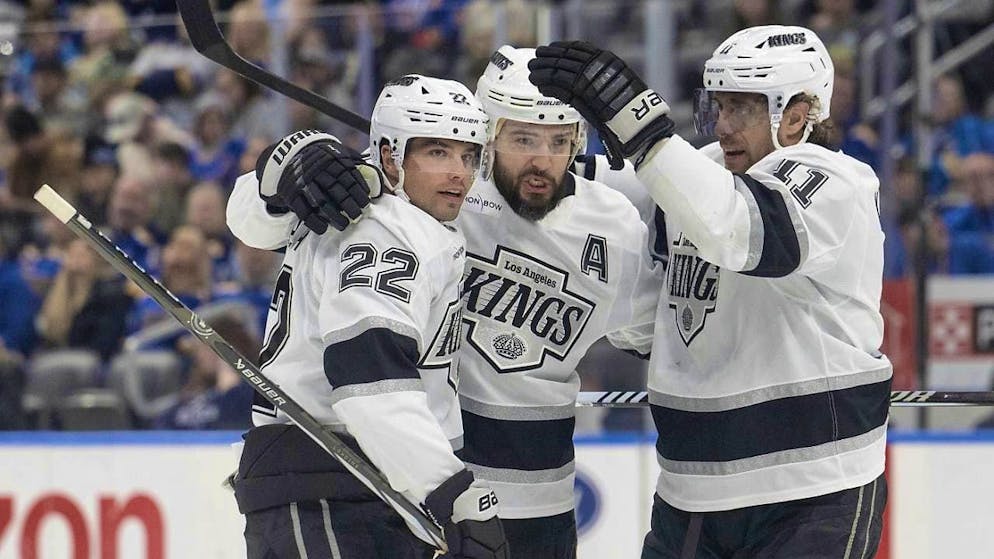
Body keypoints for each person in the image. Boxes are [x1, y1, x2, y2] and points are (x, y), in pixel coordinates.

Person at [226, 46, 662, 559]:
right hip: (392, 477)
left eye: (559, 141)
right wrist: (288, 166)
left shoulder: (611, 223)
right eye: (523, 137)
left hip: (493, 493)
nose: (543, 159)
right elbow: (261, 218)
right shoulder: (388, 203)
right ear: (491, 130)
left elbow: (658, 332)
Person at [527, 25, 890, 558]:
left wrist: (638, 123)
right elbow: (594, 184)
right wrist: (492, 150)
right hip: (691, 492)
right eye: (716, 107)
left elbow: (738, 228)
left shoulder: (837, 181)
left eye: (741, 108)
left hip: (812, 493)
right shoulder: (707, 174)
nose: (722, 126)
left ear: (797, 114)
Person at [231, 75, 508, 559]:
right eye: (437, 152)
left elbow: (253, 216)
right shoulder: (385, 229)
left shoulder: (350, 200)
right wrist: (452, 494)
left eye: (468, 155)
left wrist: (287, 167)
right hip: (333, 479)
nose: (459, 173)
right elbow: (370, 381)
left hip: (360, 482)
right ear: (388, 155)